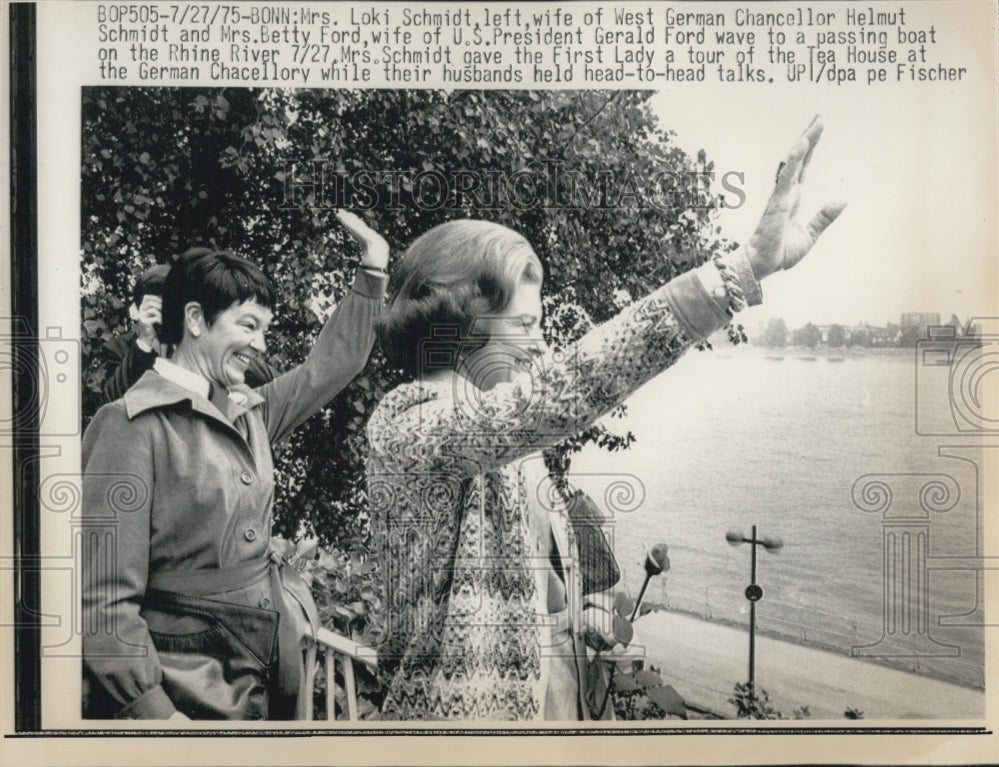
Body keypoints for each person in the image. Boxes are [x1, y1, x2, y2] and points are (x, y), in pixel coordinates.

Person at [366, 118, 846, 720]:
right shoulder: (408, 424)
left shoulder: (504, 436)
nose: (540, 348)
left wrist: (580, 610)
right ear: (458, 323)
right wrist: (740, 270)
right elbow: (566, 389)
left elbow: (532, 576)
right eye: (526, 326)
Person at [81, 211, 389, 720]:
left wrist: (372, 269)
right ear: (197, 320)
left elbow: (329, 366)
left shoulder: (250, 411)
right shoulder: (128, 425)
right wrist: (156, 714)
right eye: (248, 326)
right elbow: (104, 603)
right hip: (184, 695)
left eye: (265, 330)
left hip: (266, 677)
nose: (261, 345)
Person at [101, 255, 278, 404]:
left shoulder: (197, 342)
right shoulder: (119, 349)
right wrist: (144, 342)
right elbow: (112, 403)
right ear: (139, 310)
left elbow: (272, 380)